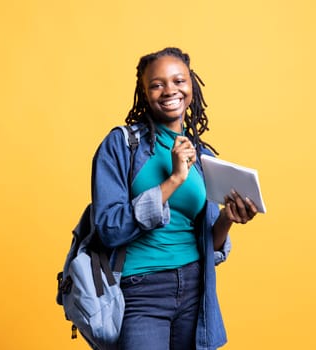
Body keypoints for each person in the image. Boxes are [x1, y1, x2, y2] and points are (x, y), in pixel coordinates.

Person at [90, 47, 258, 350]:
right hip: (140, 290)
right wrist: (175, 179)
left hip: (195, 287)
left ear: (191, 85)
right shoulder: (121, 145)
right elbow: (109, 228)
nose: (170, 90)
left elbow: (208, 241)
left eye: (179, 81)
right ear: (144, 92)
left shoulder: (201, 155)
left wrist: (226, 219)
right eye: (157, 84)